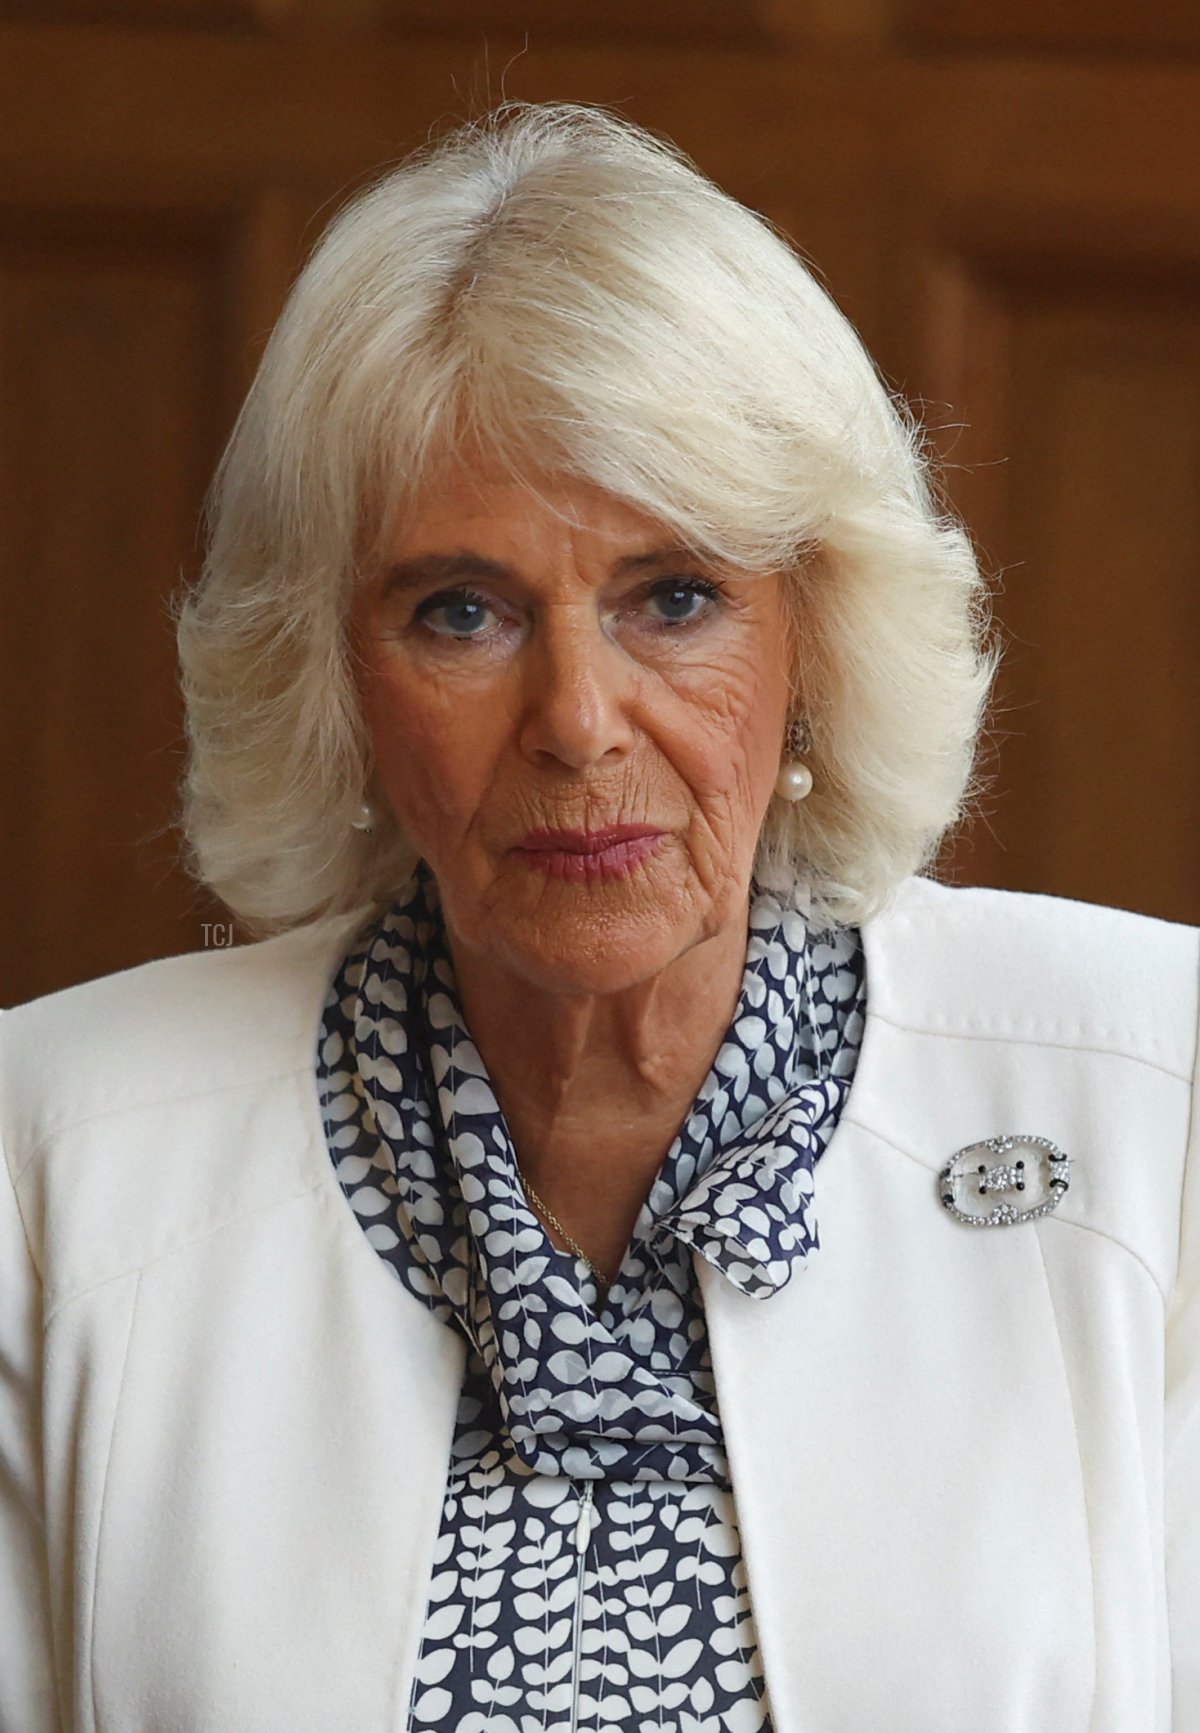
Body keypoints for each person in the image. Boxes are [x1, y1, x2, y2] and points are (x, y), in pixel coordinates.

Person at [1, 102, 1196, 1733]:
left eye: (675, 596)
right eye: (463, 610)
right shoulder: (52, 1160)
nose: (577, 718)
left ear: (816, 639)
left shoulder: (1157, 1111)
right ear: (336, 677)